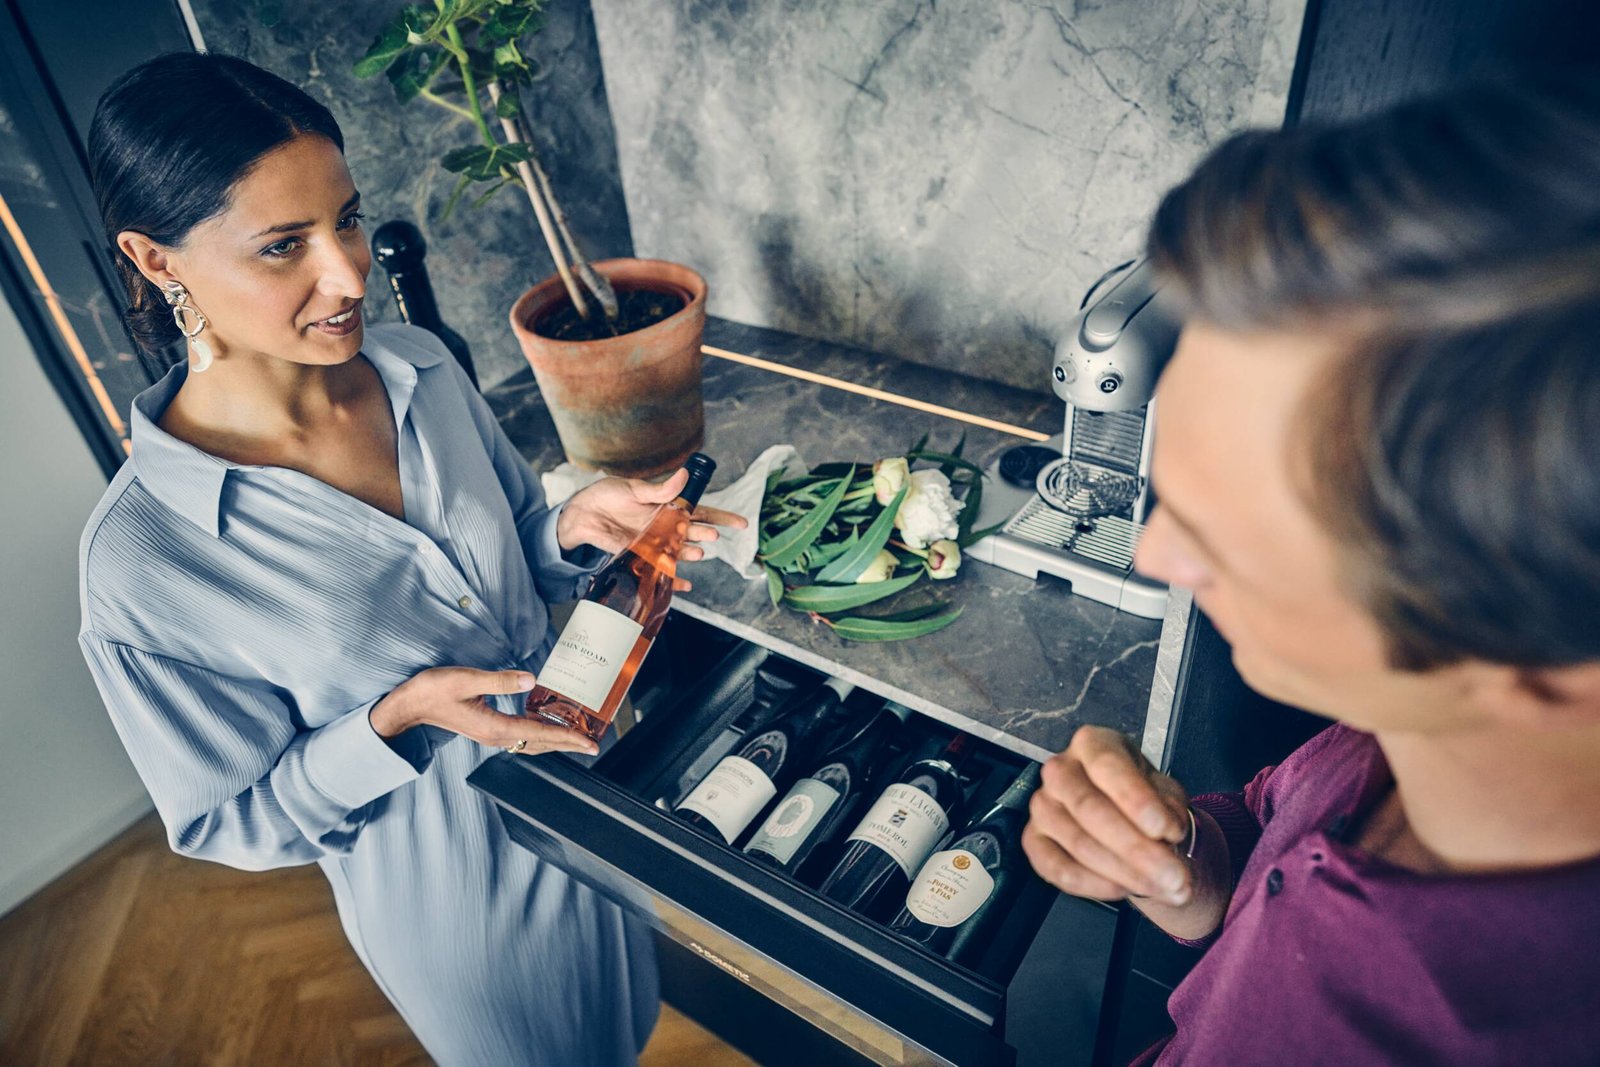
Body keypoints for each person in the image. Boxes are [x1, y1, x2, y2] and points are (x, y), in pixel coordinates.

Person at [77, 52, 742, 1065]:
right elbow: (230, 818)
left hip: (603, 793)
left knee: (632, 1027)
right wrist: (396, 718)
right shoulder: (144, 558)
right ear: (158, 259)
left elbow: (513, 560)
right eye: (281, 245)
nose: (346, 278)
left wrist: (570, 530)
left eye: (345, 218)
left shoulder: (420, 369)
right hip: (463, 898)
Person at [1022, 74, 1600, 1064]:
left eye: (1229, 530)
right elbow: (1270, 827)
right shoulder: (1402, 737)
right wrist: (1188, 864)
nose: (1156, 554)